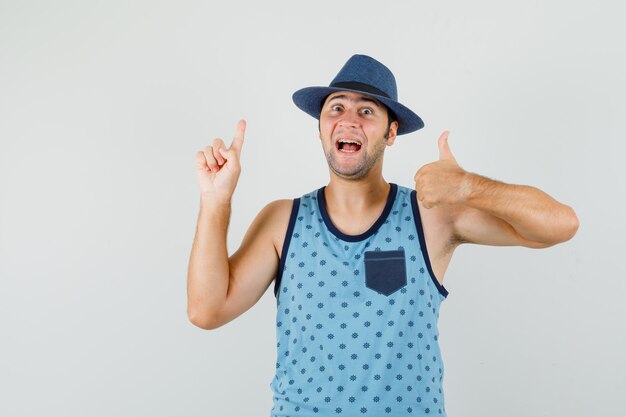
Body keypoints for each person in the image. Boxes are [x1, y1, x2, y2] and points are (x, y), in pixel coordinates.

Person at [187, 54, 579, 416]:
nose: (348, 118)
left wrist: (468, 187)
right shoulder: (281, 221)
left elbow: (561, 225)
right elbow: (206, 311)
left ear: (391, 133)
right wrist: (216, 200)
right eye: (336, 107)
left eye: (367, 110)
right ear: (321, 129)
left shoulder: (432, 217)